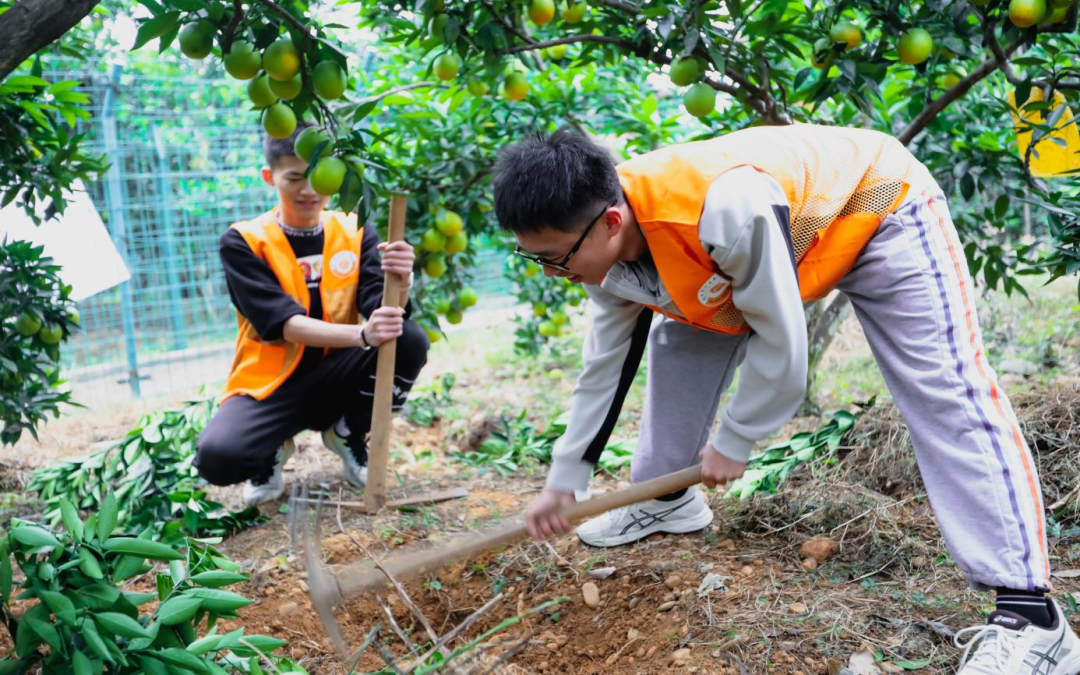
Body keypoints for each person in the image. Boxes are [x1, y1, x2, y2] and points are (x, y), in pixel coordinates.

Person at [492, 125, 1078, 674]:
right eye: (534, 257)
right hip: (769, 247)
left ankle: (1033, 617)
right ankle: (668, 498)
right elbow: (605, 366)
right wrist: (566, 477)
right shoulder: (606, 248)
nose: (549, 272)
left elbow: (783, 341)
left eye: (553, 258)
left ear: (611, 221)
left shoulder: (721, 208)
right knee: (680, 328)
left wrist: (737, 436)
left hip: (876, 206)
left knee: (944, 389)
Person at [194, 121, 429, 507]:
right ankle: (268, 451)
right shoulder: (244, 240)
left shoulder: (354, 229)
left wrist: (402, 280)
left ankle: (348, 432)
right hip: (271, 384)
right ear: (270, 177)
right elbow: (282, 324)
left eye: (316, 177)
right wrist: (361, 336)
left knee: (409, 338)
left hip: (338, 372)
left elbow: (381, 311)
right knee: (219, 458)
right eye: (294, 178)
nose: (308, 191)